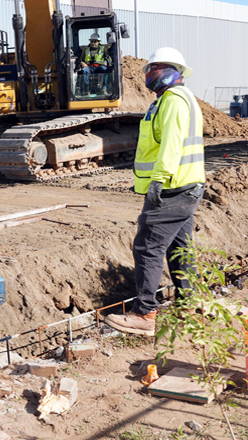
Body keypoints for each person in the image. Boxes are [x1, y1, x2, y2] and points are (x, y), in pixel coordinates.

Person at [104, 47, 206, 336]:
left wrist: (158, 180)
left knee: (147, 247)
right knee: (179, 247)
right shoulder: (174, 99)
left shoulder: (173, 100)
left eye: (155, 69)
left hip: (173, 188)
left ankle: (145, 313)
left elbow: (172, 144)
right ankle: (190, 306)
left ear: (172, 70)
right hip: (186, 185)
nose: (149, 74)